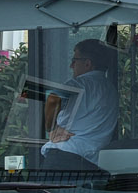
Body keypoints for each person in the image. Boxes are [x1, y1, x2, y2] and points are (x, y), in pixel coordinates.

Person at [39, 39, 118, 172]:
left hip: (63, 158)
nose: (71, 66)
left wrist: (52, 128)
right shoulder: (111, 90)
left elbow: (53, 99)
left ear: (87, 63)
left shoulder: (80, 84)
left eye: (74, 61)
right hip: (91, 163)